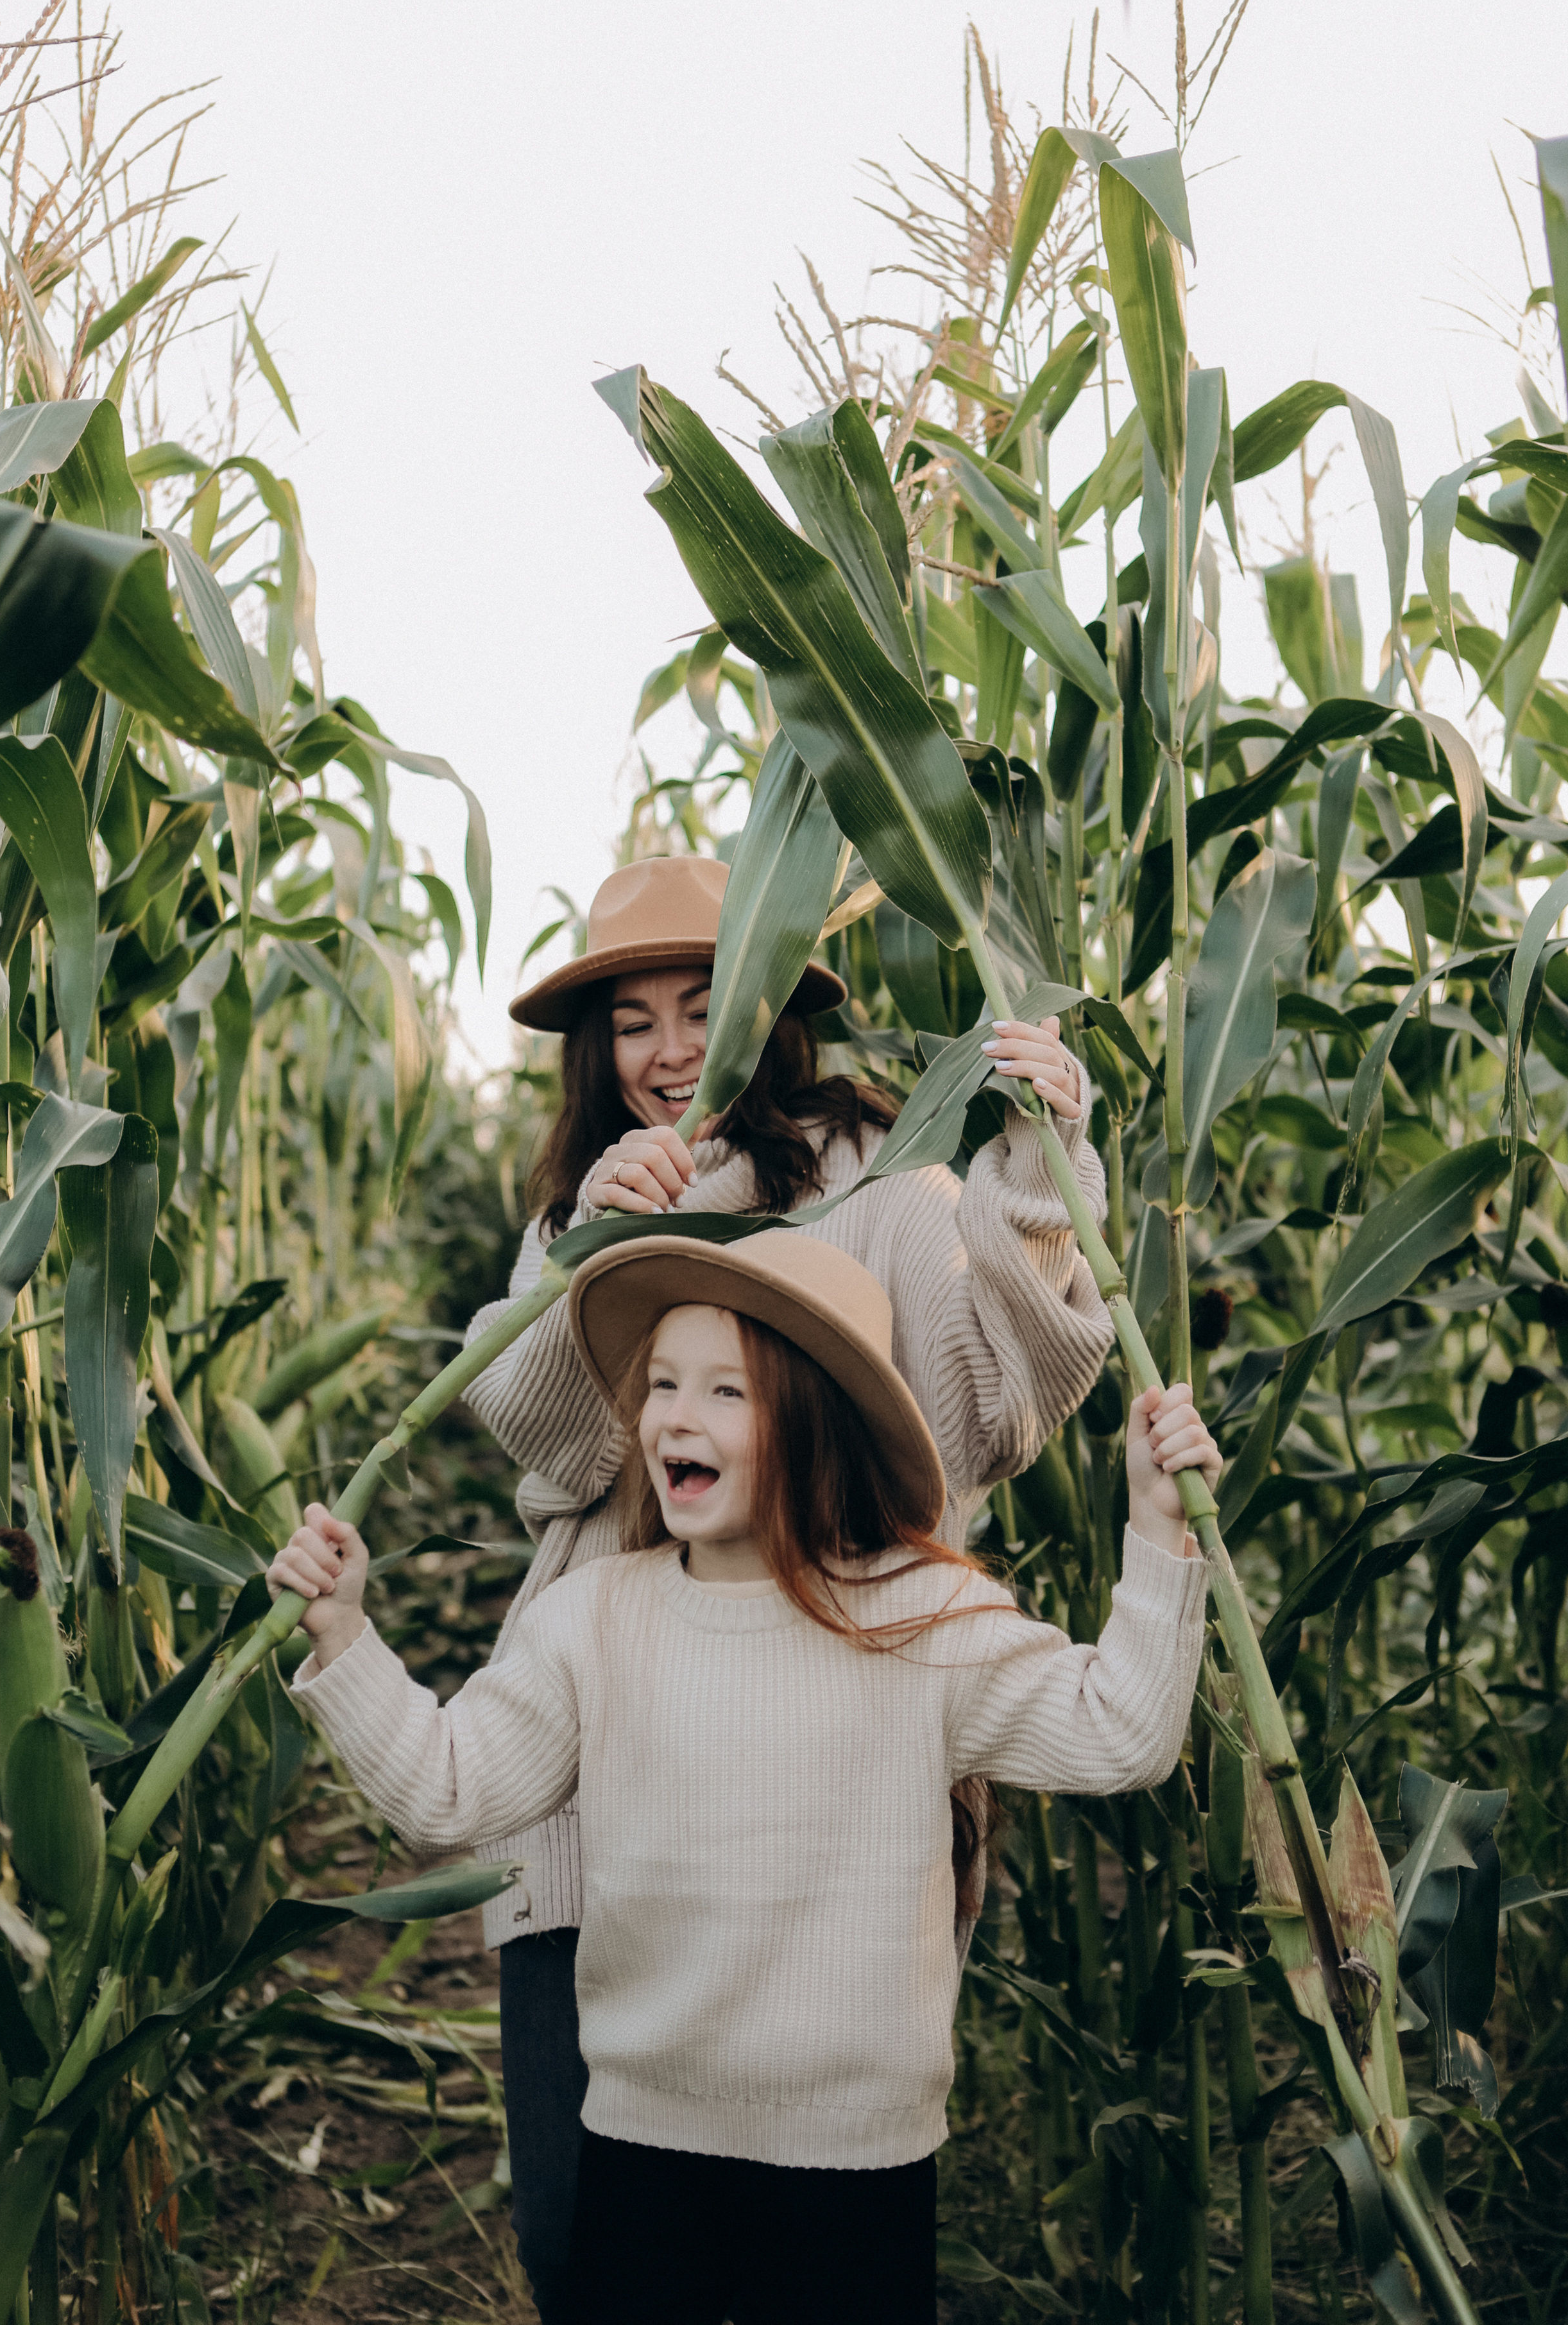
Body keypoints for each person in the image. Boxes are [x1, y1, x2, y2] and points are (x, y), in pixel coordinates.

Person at [269, 1231, 1219, 2325]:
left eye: (727, 1390)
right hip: (643, 2141)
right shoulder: (593, 1619)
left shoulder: (923, 1616)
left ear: (816, 1420)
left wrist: (1157, 1526)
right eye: (663, 1383)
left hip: (856, 2166)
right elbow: (445, 1792)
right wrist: (343, 1633)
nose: (677, 1415)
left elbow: (1123, 1734)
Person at [463, 853, 1116, 2317]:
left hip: (821, 1762)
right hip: (599, 1744)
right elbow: (549, 1439)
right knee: (580, 2240)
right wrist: (596, 1246)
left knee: (806, 2241)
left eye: (703, 1003)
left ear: (773, 1011)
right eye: (630, 1019)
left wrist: (1033, 1177)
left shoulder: (879, 1185)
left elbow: (988, 1405)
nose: (668, 1050)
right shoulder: (590, 1197)